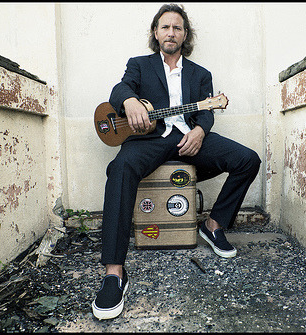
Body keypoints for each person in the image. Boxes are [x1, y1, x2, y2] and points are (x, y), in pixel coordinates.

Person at [92, 3, 261, 320]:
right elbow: (120, 89)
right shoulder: (140, 65)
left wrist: (199, 129)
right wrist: (129, 100)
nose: (171, 32)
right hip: (149, 139)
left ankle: (213, 226)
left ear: (186, 35)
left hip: (189, 139)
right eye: (165, 27)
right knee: (120, 168)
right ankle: (114, 273)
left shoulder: (200, 75)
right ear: (156, 33)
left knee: (247, 159)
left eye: (177, 27)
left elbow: (207, 110)